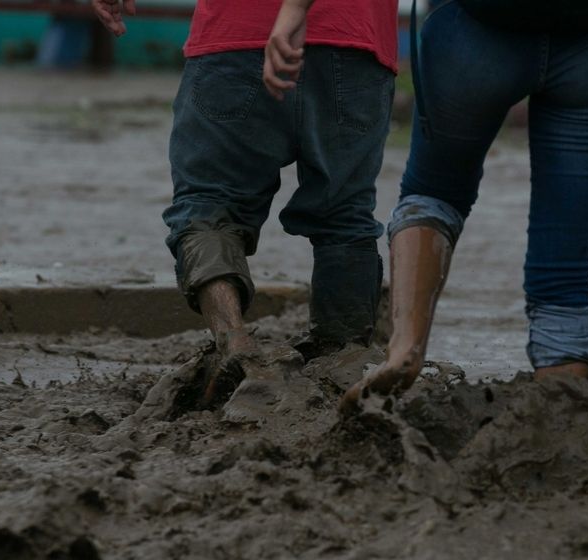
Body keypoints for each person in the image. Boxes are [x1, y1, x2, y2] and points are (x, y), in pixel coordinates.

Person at [265, 0, 588, 413]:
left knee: (435, 193)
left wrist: (294, 9)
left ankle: (405, 347)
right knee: (563, 272)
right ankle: (562, 414)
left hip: (472, 34)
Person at [93, 0, 399, 401]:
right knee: (344, 213)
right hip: (357, 39)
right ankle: (342, 365)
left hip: (236, 33)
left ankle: (234, 344)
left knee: (207, 205)